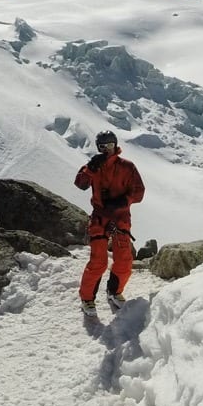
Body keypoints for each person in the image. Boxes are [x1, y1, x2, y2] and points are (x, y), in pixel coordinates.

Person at [75, 130, 145, 316]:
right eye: (103, 146)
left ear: (116, 145)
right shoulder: (93, 167)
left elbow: (139, 192)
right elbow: (80, 184)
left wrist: (124, 201)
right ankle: (87, 299)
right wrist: (90, 168)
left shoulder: (127, 167)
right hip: (100, 218)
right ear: (99, 148)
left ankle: (114, 291)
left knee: (124, 260)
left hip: (121, 217)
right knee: (98, 261)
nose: (107, 149)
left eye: (110, 145)